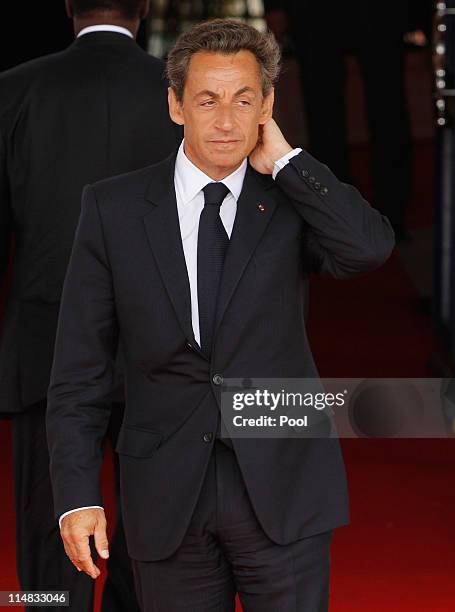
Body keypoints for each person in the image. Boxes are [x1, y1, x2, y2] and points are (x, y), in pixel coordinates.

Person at [47, 18, 395, 611]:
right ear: (176, 105)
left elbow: (369, 248)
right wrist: (78, 495)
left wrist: (286, 159)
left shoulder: (291, 200)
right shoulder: (112, 208)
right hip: (165, 494)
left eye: (244, 100)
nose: (228, 122)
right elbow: (81, 368)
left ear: (267, 105)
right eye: (208, 101)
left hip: (282, 485)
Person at [0, 1, 181, 610]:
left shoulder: (14, 89)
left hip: (44, 338)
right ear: (147, 7)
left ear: (68, 6)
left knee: (48, 519)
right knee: (152, 517)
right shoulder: (182, 93)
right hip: (161, 341)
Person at [264, 0, 415, 241]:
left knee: (388, 106)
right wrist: (274, 5)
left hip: (381, 10)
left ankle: (392, 213)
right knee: (322, 111)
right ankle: (332, 215)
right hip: (315, 10)